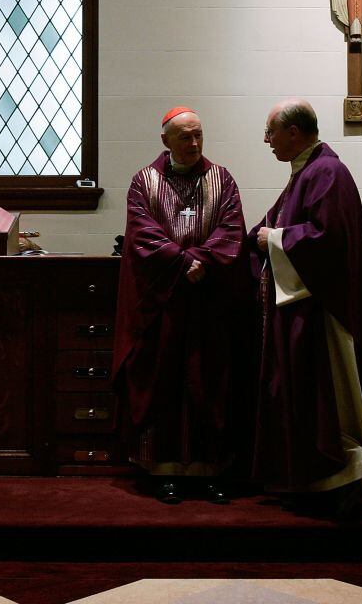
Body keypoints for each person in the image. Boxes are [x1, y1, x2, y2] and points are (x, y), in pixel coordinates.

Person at [249, 98, 362, 517]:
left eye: (271, 131)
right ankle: (313, 479)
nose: (266, 140)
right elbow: (273, 224)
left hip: (323, 313)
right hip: (302, 310)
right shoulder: (305, 173)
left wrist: (272, 240)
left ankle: (344, 476)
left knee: (328, 399)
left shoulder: (327, 173)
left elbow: (324, 239)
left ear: (294, 132)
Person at [113, 106, 250, 504]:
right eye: (185, 137)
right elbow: (141, 232)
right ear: (165, 141)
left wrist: (202, 261)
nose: (193, 144)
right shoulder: (144, 182)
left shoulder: (221, 179)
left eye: (198, 135)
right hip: (165, 304)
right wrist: (180, 260)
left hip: (209, 301)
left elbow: (231, 229)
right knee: (165, 384)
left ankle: (214, 470)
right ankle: (164, 471)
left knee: (211, 382)